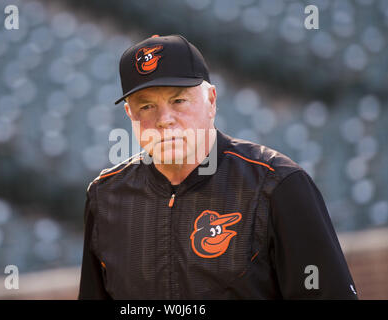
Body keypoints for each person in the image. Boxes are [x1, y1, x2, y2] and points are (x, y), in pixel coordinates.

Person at [78, 34, 358, 299]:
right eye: (146, 106)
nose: (165, 119)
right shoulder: (105, 198)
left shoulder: (278, 185)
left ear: (211, 100)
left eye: (178, 100)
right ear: (129, 113)